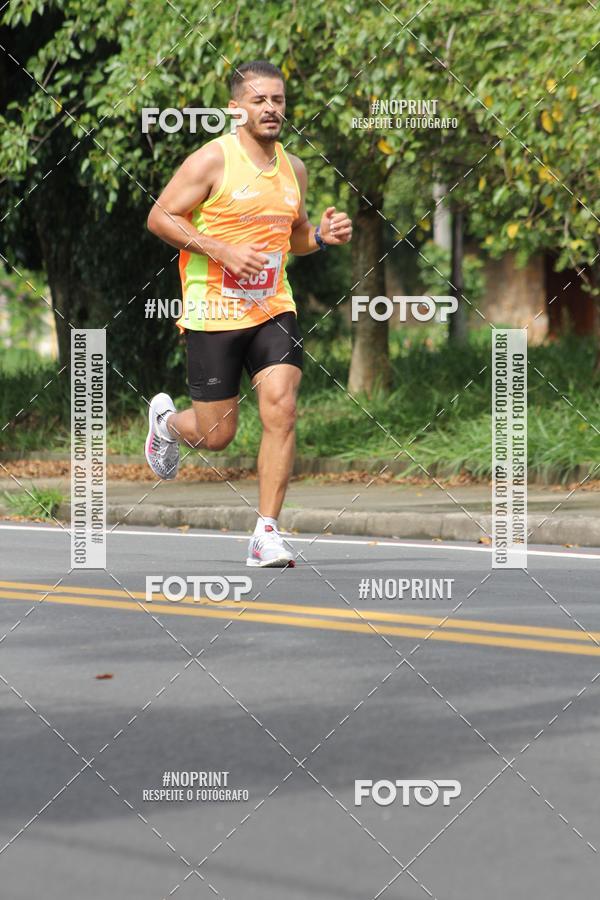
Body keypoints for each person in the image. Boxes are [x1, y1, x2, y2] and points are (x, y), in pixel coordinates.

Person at [145, 60, 352, 567]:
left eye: (278, 100)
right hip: (214, 312)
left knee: (282, 407)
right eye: (260, 100)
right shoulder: (211, 161)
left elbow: (295, 236)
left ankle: (267, 532)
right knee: (217, 436)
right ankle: (167, 424)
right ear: (236, 109)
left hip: (273, 307)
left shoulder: (294, 168)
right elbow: (160, 217)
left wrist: (320, 236)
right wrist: (222, 250)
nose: (271, 108)